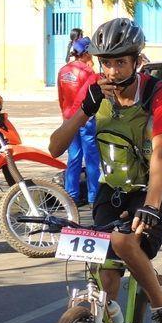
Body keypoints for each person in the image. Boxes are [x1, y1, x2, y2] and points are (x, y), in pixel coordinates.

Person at [48, 18, 162, 323]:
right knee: (105, 278)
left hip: (157, 188)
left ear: (136, 61)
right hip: (114, 189)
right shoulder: (93, 88)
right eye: (105, 62)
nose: (112, 70)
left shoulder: (157, 93)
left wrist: (151, 205)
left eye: (120, 61)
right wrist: (85, 109)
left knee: (123, 241)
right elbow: (54, 147)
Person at [57, 36, 100, 206]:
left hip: (68, 120)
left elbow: (60, 97)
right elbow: (89, 98)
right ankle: (93, 196)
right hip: (85, 119)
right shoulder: (88, 73)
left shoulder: (63, 71)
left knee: (73, 158)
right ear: (87, 52)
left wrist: (66, 117)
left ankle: (71, 196)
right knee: (91, 159)